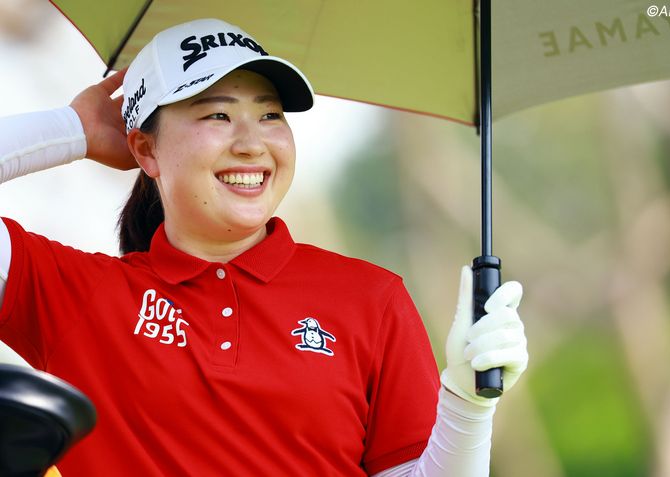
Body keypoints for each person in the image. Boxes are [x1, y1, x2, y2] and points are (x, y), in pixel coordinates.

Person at [0, 18, 528, 476]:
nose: (252, 143)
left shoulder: (372, 298)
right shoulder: (72, 293)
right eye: (217, 115)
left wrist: (467, 404)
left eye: (270, 115)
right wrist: (74, 130)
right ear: (146, 149)